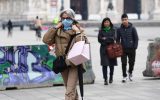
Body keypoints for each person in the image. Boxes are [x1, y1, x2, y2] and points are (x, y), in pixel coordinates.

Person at [54, 9, 84, 100]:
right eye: (63, 18)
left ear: (73, 19)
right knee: (69, 88)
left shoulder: (79, 30)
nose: (66, 20)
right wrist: (55, 27)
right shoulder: (58, 31)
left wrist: (77, 32)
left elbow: (82, 45)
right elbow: (46, 40)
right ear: (61, 19)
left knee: (69, 91)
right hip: (63, 63)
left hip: (75, 63)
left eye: (68, 18)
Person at [116, 14, 139, 83]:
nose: (124, 21)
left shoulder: (133, 28)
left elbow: (136, 38)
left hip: (132, 49)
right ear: (121, 21)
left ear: (128, 20)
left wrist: (135, 47)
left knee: (131, 62)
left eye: (125, 19)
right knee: (124, 63)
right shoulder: (119, 29)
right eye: (123, 20)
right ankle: (124, 76)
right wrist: (119, 46)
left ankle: (130, 72)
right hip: (123, 49)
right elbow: (117, 39)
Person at [98, 17, 117, 85]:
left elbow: (113, 38)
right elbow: (99, 40)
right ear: (103, 23)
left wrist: (105, 39)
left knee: (111, 64)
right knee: (104, 65)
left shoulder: (113, 30)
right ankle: (105, 79)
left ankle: (111, 77)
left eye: (107, 22)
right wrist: (107, 39)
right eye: (105, 22)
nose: (106, 23)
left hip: (112, 49)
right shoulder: (101, 30)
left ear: (110, 23)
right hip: (103, 49)